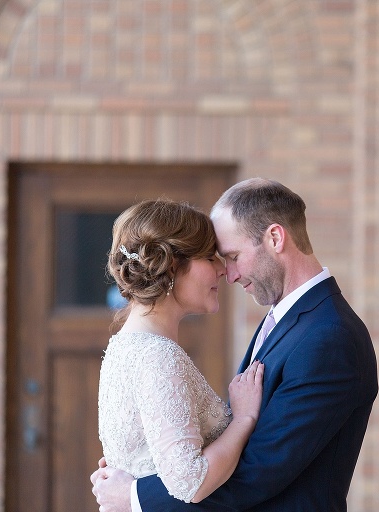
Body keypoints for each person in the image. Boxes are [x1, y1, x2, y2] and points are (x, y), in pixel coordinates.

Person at [91, 178, 379, 511]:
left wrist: (135, 496)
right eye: (216, 259)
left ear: (274, 238)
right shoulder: (281, 320)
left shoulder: (330, 337)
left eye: (232, 256)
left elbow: (256, 472)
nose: (227, 274)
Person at [98, 199, 265, 505]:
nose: (222, 270)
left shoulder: (124, 346)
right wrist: (244, 419)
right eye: (209, 257)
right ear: (172, 265)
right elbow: (191, 482)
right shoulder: (156, 356)